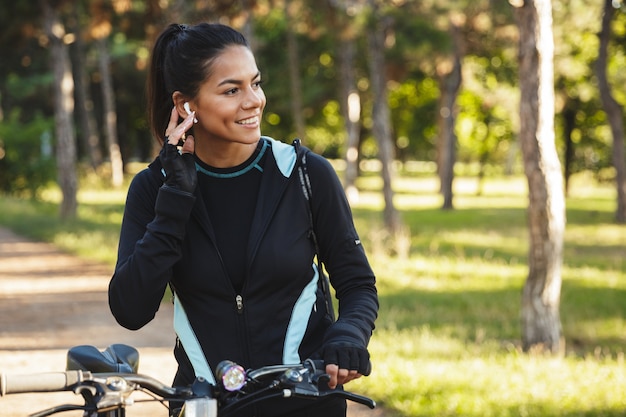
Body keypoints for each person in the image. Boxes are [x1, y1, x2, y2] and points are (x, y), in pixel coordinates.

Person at [108, 22, 378, 417]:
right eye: (232, 90)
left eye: (256, 83)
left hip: (306, 402)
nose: (253, 101)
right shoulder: (155, 188)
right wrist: (177, 197)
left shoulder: (304, 174)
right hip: (204, 403)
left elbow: (357, 284)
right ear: (186, 105)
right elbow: (130, 310)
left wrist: (349, 334)